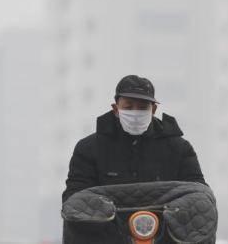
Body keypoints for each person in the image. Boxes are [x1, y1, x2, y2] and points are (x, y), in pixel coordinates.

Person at [62, 74, 207, 203]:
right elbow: (75, 196)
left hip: (164, 231)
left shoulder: (179, 149)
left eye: (142, 108)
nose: (135, 113)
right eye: (128, 107)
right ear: (116, 109)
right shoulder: (89, 148)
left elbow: (198, 193)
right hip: (105, 231)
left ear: (154, 110)